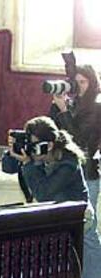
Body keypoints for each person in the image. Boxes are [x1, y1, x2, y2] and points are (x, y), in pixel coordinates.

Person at [3, 116, 101, 278]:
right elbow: (7, 168)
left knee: (88, 251)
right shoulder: (37, 154)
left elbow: (44, 193)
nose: (31, 150)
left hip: (80, 216)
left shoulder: (68, 162)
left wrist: (28, 164)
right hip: (56, 216)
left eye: (34, 145)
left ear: (48, 145)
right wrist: (14, 148)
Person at [49, 65, 101, 233]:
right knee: (65, 230)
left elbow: (79, 139)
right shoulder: (72, 104)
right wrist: (56, 107)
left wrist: (64, 111)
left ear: (92, 82)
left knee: (87, 230)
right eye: (76, 82)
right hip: (66, 170)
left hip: (87, 172)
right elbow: (53, 131)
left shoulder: (97, 106)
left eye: (83, 82)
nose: (79, 86)